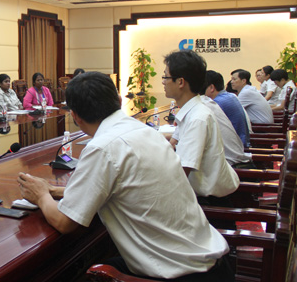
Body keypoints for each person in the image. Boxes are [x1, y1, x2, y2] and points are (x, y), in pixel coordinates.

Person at [17, 72, 232, 280]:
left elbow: (65, 222)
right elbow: (128, 186)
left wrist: (41, 195)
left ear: (74, 116)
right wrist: (58, 191)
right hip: (214, 264)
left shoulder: (102, 147)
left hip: (179, 275)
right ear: (119, 101)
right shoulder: (145, 131)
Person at [163, 51, 238, 199]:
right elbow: (172, 144)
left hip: (210, 201)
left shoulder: (198, 118)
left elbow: (181, 173)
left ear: (180, 82)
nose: (163, 82)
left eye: (165, 77)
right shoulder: (191, 111)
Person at [203, 70, 250, 148]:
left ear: (211, 88)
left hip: (235, 148)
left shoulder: (217, 103)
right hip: (241, 143)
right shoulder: (230, 96)